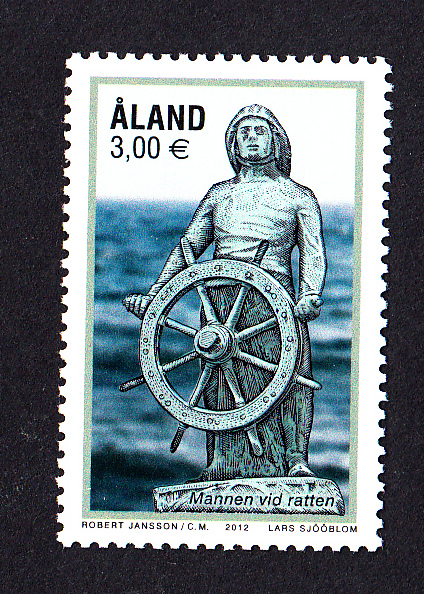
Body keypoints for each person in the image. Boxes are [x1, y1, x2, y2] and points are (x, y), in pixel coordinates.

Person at [124, 105, 326, 480]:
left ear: (277, 141)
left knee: (292, 377)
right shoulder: (219, 195)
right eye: (243, 132)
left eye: (260, 131)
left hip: (275, 302)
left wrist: (309, 294)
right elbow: (189, 247)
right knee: (217, 378)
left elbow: (313, 254)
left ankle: (296, 458)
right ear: (233, 143)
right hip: (218, 301)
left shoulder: (298, 196)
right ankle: (220, 463)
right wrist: (156, 296)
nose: (251, 138)